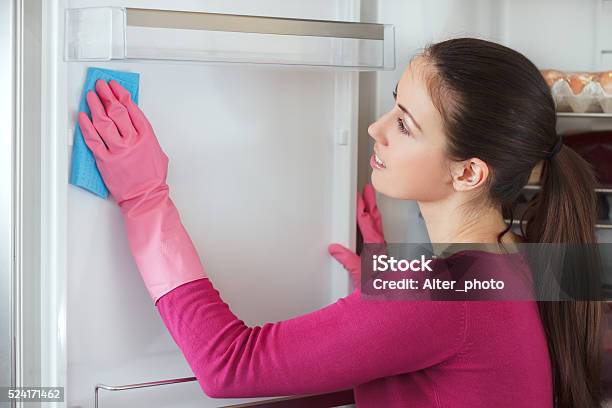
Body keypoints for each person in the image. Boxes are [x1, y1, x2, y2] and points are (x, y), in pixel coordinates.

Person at [77, 37, 604, 407]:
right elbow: (456, 358)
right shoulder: (523, 259)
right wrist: (385, 283)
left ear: (468, 172)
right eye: (394, 105)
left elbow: (228, 365)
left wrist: (145, 197)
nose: (377, 127)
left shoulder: (437, 295)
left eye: (405, 123)